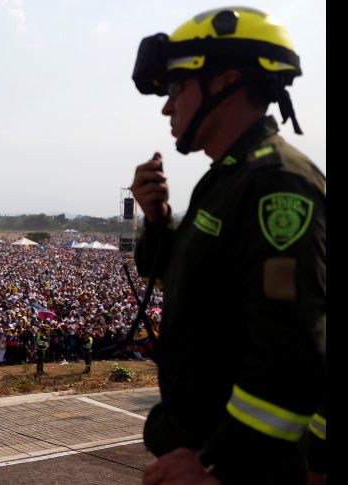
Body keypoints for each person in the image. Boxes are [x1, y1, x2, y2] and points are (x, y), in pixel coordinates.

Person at [130, 7, 326, 484]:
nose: (166, 106)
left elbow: (290, 356)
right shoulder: (226, 179)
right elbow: (184, 279)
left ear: (227, 81)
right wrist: (157, 221)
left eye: (176, 88)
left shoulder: (275, 183)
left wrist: (214, 462)